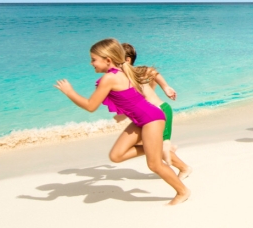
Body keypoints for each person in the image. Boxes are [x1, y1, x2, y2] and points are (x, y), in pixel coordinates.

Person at [54, 38, 191, 205]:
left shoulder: (110, 78)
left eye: (94, 59)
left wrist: (69, 92)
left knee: (154, 165)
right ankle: (156, 148)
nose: (91, 63)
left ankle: (182, 192)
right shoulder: (122, 71)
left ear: (108, 60)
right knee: (116, 156)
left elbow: (91, 106)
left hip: (152, 119)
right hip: (142, 119)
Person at [121, 42, 187, 174]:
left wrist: (166, 87)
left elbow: (152, 71)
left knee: (160, 146)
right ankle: (175, 159)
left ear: (127, 60)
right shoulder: (122, 78)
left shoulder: (135, 73)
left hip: (160, 112)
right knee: (148, 146)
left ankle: (184, 168)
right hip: (148, 116)